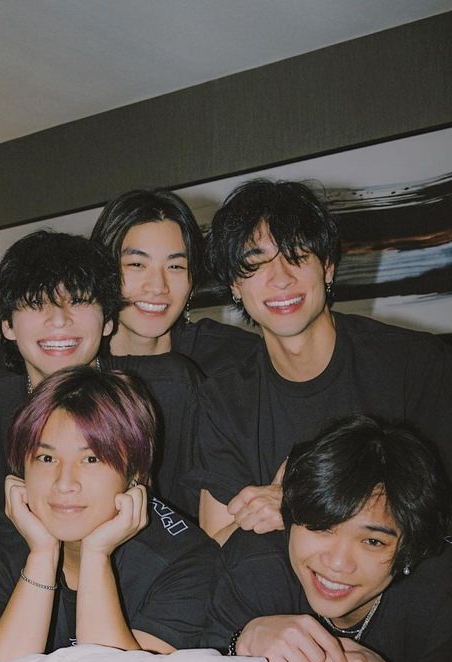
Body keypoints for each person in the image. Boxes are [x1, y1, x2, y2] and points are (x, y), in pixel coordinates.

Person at [189, 178, 452, 544]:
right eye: (256, 263)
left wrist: (297, 503)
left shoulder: (413, 364)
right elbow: (217, 539)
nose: (280, 279)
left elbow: (439, 516)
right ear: (235, 285)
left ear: (327, 267)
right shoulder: (223, 398)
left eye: (297, 255)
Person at [0, 365, 219, 662]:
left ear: (135, 474)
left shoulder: (185, 559)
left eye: (92, 459)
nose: (64, 483)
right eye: (46, 458)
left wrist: (96, 555)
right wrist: (42, 554)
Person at [204, 415, 452, 662]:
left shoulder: (439, 594)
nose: (336, 563)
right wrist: (245, 641)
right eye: (322, 527)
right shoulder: (253, 568)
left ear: (410, 547)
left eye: (373, 542)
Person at [0, 229, 201, 517]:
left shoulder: (168, 390)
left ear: (107, 320)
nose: (59, 320)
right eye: (36, 302)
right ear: (7, 325)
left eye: (78, 301)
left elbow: (192, 523)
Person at [90, 187, 257, 373]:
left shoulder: (234, 358)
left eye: (175, 266)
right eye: (137, 265)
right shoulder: (74, 363)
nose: (158, 286)